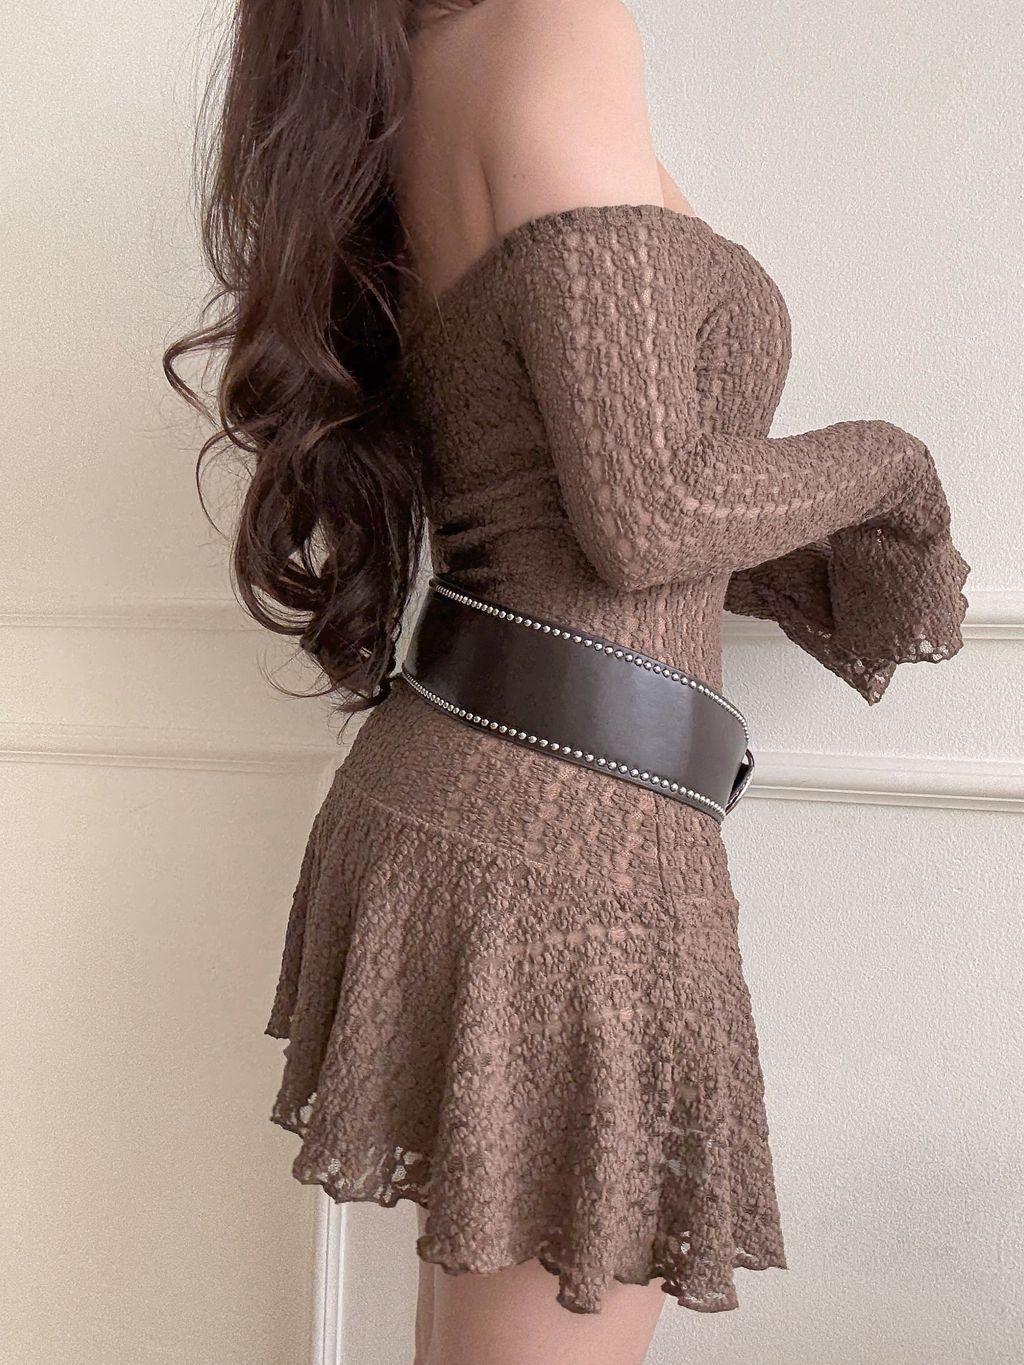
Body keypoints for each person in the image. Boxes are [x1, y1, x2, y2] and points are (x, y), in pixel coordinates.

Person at [164, 0, 971, 1361]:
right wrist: (893, 464)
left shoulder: (419, 71)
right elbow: (647, 513)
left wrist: (825, 559)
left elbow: (581, 499)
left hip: (492, 802)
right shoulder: (557, 28)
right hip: (570, 849)